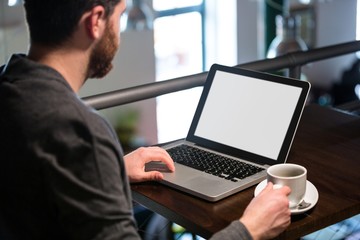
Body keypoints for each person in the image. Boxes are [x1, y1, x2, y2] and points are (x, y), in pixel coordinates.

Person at [0, 0, 291, 239]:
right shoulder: (78, 129)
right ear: (96, 20)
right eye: (121, 17)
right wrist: (250, 229)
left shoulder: (9, 86)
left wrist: (109, 170)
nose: (120, 32)